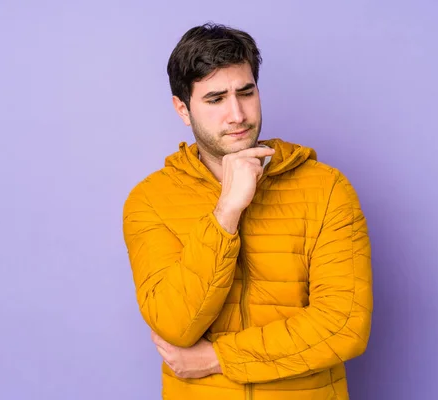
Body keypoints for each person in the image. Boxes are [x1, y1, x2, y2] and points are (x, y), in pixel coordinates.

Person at [122, 22, 373, 400]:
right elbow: (176, 325)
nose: (237, 114)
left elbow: (344, 326)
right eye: (215, 99)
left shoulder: (327, 189)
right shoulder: (149, 200)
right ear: (183, 109)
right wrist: (226, 211)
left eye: (246, 92)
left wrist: (219, 357)